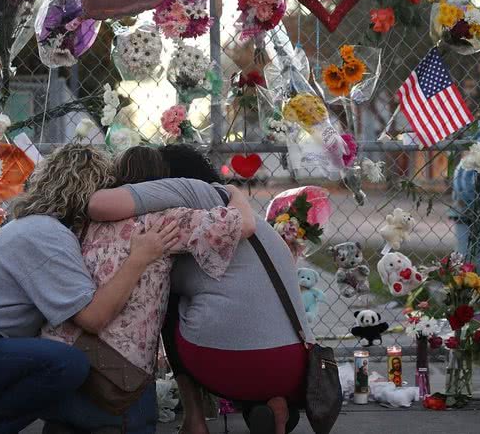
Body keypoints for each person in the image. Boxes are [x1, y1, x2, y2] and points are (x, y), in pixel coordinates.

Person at [0, 144, 180, 434]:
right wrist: (139, 258)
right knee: (68, 364)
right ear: (89, 195)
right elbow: (94, 318)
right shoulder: (48, 235)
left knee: (54, 358)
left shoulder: (25, 226)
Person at [88, 144, 314, 434]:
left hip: (227, 361)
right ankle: (270, 404)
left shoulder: (183, 195)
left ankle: (194, 418)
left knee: (168, 295)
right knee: (229, 303)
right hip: (294, 364)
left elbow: (99, 204)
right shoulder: (240, 213)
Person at [41, 145, 254, 383]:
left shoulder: (81, 221)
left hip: (56, 352)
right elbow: (240, 225)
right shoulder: (165, 221)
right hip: (115, 374)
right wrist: (234, 193)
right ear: (162, 182)